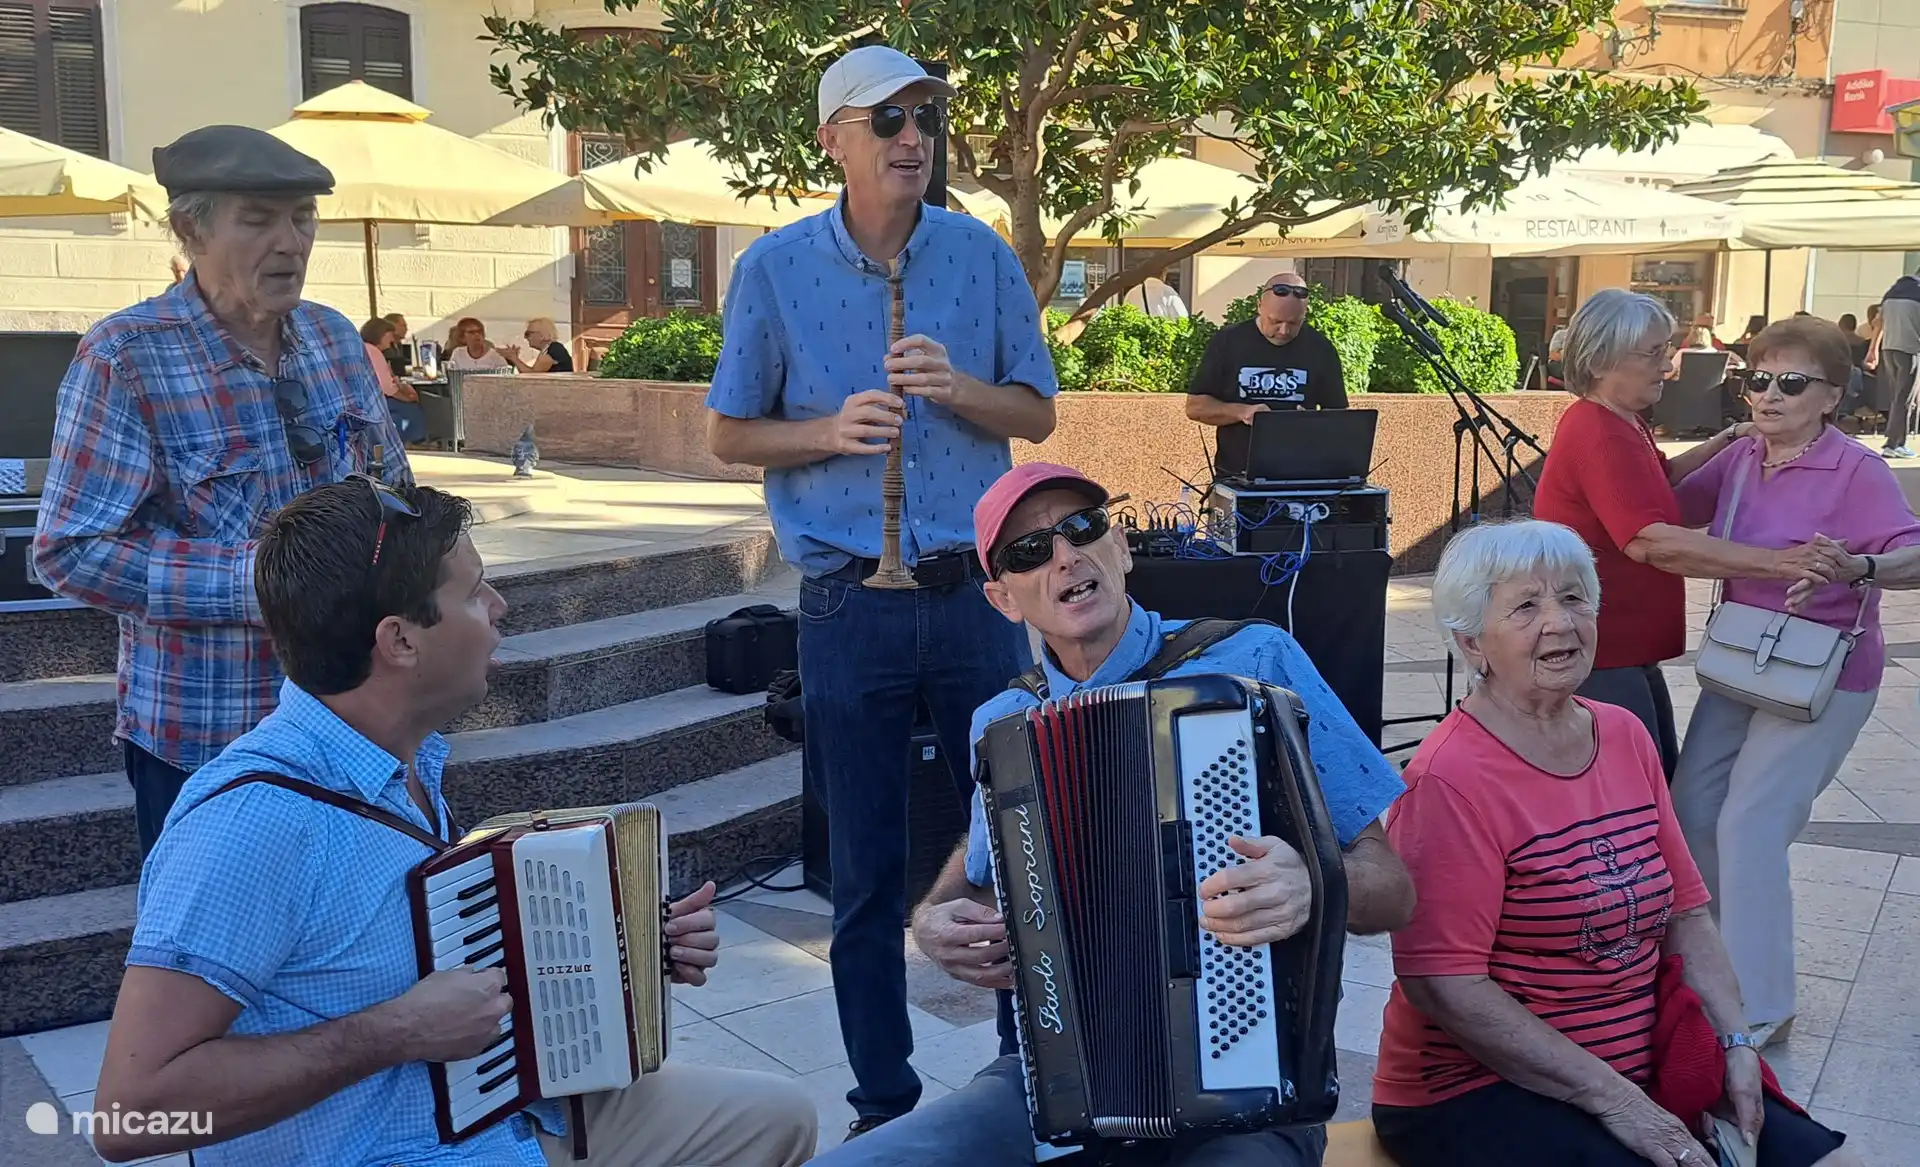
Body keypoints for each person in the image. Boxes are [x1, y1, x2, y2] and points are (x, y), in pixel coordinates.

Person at [87, 478, 818, 1166]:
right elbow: (128, 1113)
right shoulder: (250, 825)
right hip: (384, 1148)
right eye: (474, 592)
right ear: (400, 640)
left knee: (778, 1118)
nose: (499, 605)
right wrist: (392, 1033)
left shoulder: (404, 762)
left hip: (502, 1116)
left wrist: (625, 947)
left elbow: (430, 957)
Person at [810, 461, 1415, 1167]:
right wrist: (932, 918)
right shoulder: (1007, 724)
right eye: (1030, 552)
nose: (1065, 554)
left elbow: (1394, 888)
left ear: (1120, 546)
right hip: (1058, 1089)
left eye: (1081, 527)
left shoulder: (1253, 659)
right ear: (1002, 597)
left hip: (1247, 1098)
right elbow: (973, 880)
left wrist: (1314, 883)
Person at [702, 44, 1058, 1139]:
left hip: (972, 597)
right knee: (859, 871)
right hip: (848, 604)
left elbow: (1037, 417)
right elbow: (726, 431)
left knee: (1014, 854)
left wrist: (961, 390)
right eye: (889, 119)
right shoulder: (773, 268)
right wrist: (824, 432)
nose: (915, 137)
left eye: (925, 118)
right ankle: (882, 1105)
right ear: (833, 141)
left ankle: (1028, 1080)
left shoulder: (980, 256)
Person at [1369, 519, 1857, 1167]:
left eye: (1574, 598)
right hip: (1480, 1087)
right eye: (1525, 606)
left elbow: (1686, 911)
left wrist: (1737, 1043)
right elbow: (1445, 984)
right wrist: (1618, 1101)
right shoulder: (1449, 778)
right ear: (1471, 642)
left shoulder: (1624, 733)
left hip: (1643, 1052)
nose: (1561, 623)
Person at [32, 124, 412, 857]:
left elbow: (394, 490)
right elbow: (70, 551)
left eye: (303, 217)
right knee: (211, 968)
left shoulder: (336, 340)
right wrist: (268, 581)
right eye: (259, 219)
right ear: (189, 229)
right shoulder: (124, 357)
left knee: (352, 957)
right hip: (209, 739)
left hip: (352, 721)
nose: (291, 241)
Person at [1669, 317, 1920, 1051]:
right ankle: (1713, 967)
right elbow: (1665, 501)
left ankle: (1758, 1004)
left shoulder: (1855, 470)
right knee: (1693, 806)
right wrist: (1717, 443)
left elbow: (1914, 550)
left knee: (1751, 822)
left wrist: (1858, 568)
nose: (1769, 394)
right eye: (1757, 379)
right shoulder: (1745, 458)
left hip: (1825, 672)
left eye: (1791, 382)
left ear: (1832, 396)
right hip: (1742, 658)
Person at [1531, 289, 1836, 779]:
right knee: (1640, 793)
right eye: (1653, 353)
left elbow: (1658, 480)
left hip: (1620, 646)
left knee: (1658, 780)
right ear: (1605, 358)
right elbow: (1650, 540)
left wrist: (1728, 439)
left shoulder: (1621, 421)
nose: (1667, 365)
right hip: (1602, 650)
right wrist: (1778, 562)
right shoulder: (1598, 431)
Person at [1185, 271, 1346, 430]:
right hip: (1240, 455)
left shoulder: (1321, 348)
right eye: (1275, 321)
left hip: (1300, 454)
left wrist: (1312, 422)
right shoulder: (1228, 341)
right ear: (1259, 306)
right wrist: (1242, 412)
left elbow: (1339, 415)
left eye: (1294, 323)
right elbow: (1195, 407)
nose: (1284, 331)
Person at [1872, 273, 1920, 458]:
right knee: (1905, 400)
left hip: (1889, 350)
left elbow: (1878, 323)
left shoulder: (1891, 293)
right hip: (1910, 350)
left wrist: (1873, 350)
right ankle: (1895, 443)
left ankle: (1893, 441)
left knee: (1897, 398)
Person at [362, 316, 427, 443]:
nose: (392, 339)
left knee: (399, 415)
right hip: (373, 400)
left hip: (365, 399)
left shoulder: (363, 348)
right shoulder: (373, 352)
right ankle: (416, 442)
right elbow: (387, 387)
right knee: (412, 408)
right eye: (390, 334)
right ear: (382, 334)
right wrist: (407, 398)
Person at [505, 316, 575, 373]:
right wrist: (514, 360)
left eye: (528, 334)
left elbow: (533, 376)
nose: (526, 338)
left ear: (541, 335)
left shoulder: (554, 349)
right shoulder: (549, 349)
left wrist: (514, 358)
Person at [447, 316, 512, 372]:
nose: (477, 335)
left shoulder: (495, 355)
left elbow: (505, 379)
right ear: (462, 336)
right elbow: (452, 375)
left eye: (479, 331)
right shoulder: (458, 353)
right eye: (471, 332)